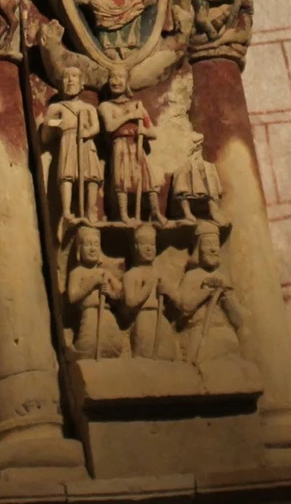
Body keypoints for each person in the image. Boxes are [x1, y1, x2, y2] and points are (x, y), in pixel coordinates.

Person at [172, 223, 243, 363]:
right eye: (208, 244)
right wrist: (205, 291)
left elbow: (238, 319)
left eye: (216, 244)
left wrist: (227, 296)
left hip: (224, 334)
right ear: (198, 248)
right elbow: (184, 308)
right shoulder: (191, 277)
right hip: (197, 333)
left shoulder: (223, 278)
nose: (213, 249)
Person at [40, 67, 104, 224]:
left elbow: (96, 127)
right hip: (68, 142)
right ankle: (66, 211)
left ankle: (90, 211)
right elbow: (45, 135)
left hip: (86, 144)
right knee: (66, 175)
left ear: (81, 83)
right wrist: (60, 123)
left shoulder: (88, 108)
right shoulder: (56, 108)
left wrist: (87, 133)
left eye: (74, 76)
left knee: (92, 177)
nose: (70, 80)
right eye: (66, 77)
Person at [99, 67, 161, 223]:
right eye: (112, 77)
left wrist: (143, 133)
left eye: (120, 77)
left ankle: (155, 212)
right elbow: (110, 127)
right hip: (119, 145)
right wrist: (130, 115)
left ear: (127, 82)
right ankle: (124, 215)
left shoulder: (137, 105)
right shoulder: (105, 106)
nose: (116, 81)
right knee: (122, 180)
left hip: (136, 145)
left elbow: (152, 132)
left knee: (146, 179)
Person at [113, 224, 173, 359]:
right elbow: (129, 303)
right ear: (135, 247)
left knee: (168, 356)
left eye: (152, 244)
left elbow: (180, 301)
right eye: (144, 244)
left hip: (161, 319)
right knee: (144, 356)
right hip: (143, 318)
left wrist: (168, 292)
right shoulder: (131, 275)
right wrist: (147, 288)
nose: (148, 248)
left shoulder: (160, 273)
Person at [65, 225, 122, 360]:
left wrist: (111, 293)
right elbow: (72, 297)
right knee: (88, 345)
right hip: (89, 314)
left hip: (106, 314)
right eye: (88, 245)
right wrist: (91, 283)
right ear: (79, 249)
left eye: (96, 245)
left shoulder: (104, 273)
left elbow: (120, 293)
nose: (92, 249)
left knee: (114, 346)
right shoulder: (77, 273)